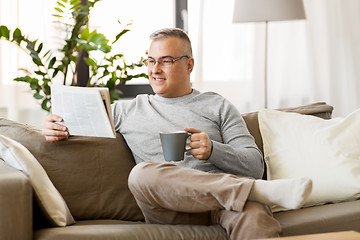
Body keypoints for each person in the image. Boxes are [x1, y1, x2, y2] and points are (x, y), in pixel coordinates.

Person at [42, 28, 312, 239]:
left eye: (166, 61)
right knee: (141, 174)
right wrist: (51, 126)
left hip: (227, 205)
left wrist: (214, 149)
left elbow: (254, 164)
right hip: (169, 209)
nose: (154, 69)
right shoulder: (127, 110)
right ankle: (256, 191)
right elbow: (74, 120)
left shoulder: (218, 106)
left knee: (253, 213)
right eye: (150, 60)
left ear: (189, 65)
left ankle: (249, 193)